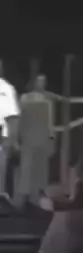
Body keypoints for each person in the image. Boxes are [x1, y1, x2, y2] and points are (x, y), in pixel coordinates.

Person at [17, 75, 56, 207]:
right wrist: (18, 136)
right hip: (28, 137)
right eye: (40, 81)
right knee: (27, 166)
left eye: (44, 81)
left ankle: (39, 192)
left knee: (41, 166)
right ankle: (25, 195)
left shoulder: (47, 99)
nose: (42, 84)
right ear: (34, 83)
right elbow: (20, 117)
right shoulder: (25, 98)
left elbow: (50, 121)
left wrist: (51, 138)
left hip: (42, 137)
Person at [0, 62, 20, 201]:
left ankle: (2, 196)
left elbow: (13, 116)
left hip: (2, 135)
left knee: (2, 167)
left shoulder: (6, 88)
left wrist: (12, 140)